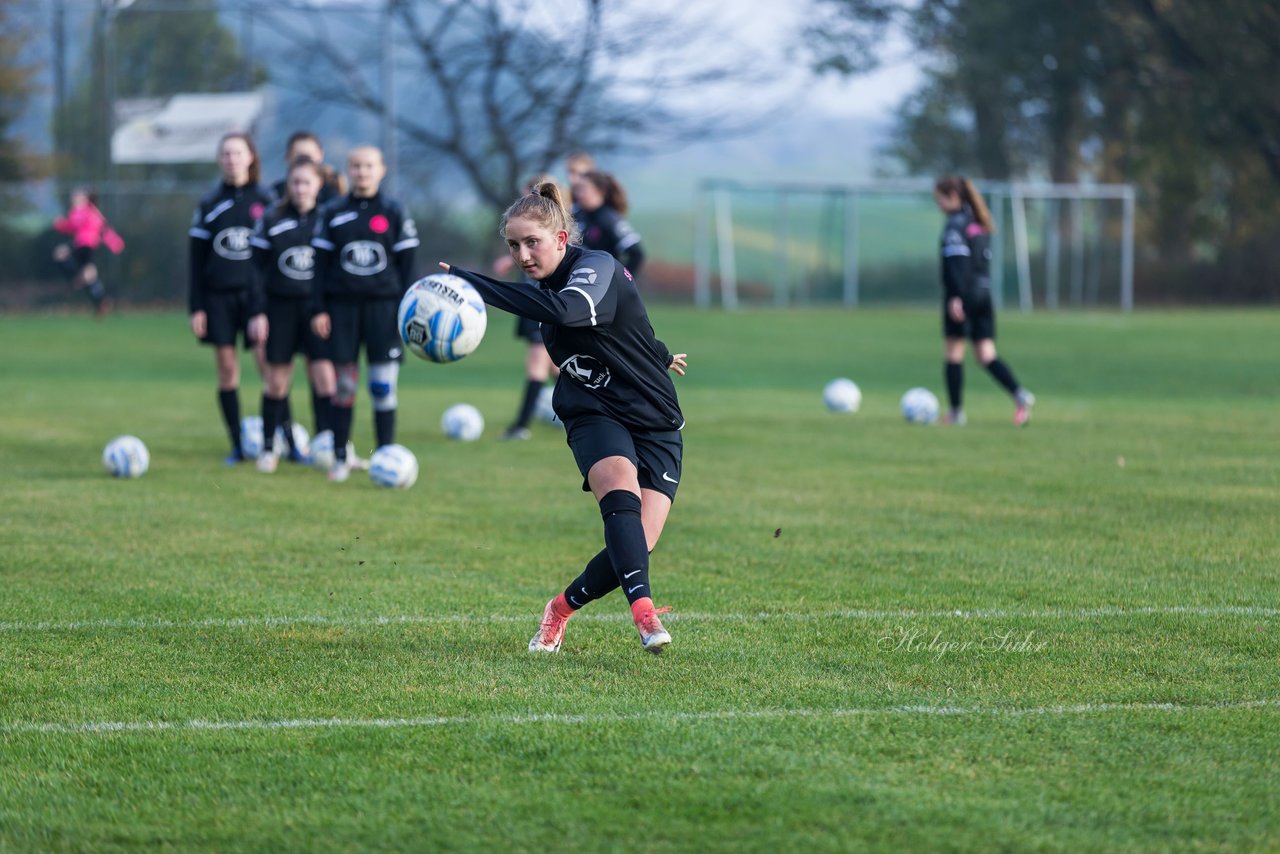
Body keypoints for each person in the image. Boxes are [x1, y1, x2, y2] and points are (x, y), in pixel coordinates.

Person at [440, 181, 688, 655]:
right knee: (619, 497)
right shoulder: (542, 291)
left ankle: (560, 609)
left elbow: (577, 312)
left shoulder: (595, 266)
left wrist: (479, 284)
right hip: (592, 411)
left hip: (655, 419)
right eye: (513, 245)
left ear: (560, 238)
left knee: (638, 544)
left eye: (532, 242)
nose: (523, 254)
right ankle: (645, 615)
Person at [310, 145, 419, 482]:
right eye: (356, 166)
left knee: (383, 387)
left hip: (383, 309)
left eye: (369, 166)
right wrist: (318, 309)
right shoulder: (332, 212)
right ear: (348, 170)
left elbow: (407, 267)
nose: (362, 172)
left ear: (381, 169)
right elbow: (318, 266)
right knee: (344, 386)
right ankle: (341, 457)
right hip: (342, 309)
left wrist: (405, 311)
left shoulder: (394, 211)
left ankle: (386, 457)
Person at [188, 132, 274, 464]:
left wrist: (264, 304)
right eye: (225, 154)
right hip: (217, 297)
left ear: (250, 157)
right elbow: (196, 260)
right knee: (227, 370)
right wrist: (196, 306)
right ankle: (237, 444)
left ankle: (279, 438)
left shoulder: (266, 201)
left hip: (257, 300)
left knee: (270, 368)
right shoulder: (209, 203)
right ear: (219, 159)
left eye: (237, 153)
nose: (231, 159)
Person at [250, 157, 338, 473]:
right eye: (295, 182)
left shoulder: (329, 219)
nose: (300, 188)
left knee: (326, 379)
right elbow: (256, 271)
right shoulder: (271, 219)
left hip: (317, 311)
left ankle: (331, 445)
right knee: (276, 382)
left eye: (307, 182)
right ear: (289, 185)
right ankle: (268, 448)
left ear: (319, 185)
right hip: (280, 309)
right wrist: (257, 312)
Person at [934, 175, 1035, 426]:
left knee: (954, 353)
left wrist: (956, 297)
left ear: (953, 197)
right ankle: (1019, 394)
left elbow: (957, 264)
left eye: (940, 199)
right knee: (986, 355)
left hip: (964, 295)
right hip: (984, 294)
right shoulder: (977, 223)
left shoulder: (954, 226)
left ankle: (956, 413)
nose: (938, 205)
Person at [493, 174, 562, 441]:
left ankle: (520, 425)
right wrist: (509, 262)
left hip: (542, 304)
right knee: (557, 367)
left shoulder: (554, 233)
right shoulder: (527, 239)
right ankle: (596, 408)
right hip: (531, 302)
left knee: (536, 364)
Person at [52, 188, 124, 316]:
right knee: (88, 274)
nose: (73, 199)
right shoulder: (80, 211)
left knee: (62, 255)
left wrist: (114, 242)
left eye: (76, 196)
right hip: (82, 243)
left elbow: (102, 228)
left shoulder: (86, 211)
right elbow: (72, 227)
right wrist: (61, 225)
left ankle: (76, 280)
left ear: (84, 199)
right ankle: (100, 300)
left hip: (86, 244)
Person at [575, 170, 644, 277]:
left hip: (602, 285)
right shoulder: (577, 216)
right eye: (577, 190)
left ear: (599, 191)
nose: (579, 195)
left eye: (583, 189)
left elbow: (636, 254)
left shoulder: (609, 218)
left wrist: (621, 282)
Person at [270, 131, 346, 207]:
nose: (301, 190)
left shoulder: (331, 194)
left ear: (320, 156)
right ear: (287, 157)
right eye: (299, 158)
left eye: (309, 158)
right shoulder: (276, 193)